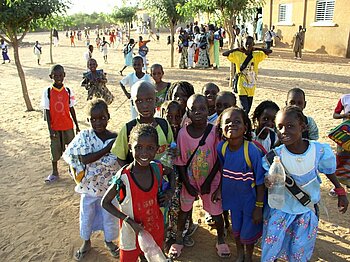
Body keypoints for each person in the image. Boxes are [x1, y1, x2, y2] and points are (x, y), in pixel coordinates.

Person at [261, 105, 348, 261]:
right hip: (281, 211)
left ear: (303, 126)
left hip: (305, 212)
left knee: (299, 251)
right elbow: (270, 179)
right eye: (279, 127)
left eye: (290, 126)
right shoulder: (275, 156)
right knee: (271, 249)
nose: (284, 131)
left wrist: (339, 190)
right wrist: (269, 181)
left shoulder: (318, 151)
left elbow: (328, 171)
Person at [102, 124, 175, 262]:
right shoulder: (123, 178)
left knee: (153, 257)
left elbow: (171, 172)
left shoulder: (157, 168)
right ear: (130, 147)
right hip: (130, 233)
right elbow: (105, 203)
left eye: (150, 148)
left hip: (155, 229)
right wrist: (128, 221)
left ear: (157, 149)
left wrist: (170, 192)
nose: (144, 153)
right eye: (138, 147)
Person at [169, 94, 230, 259]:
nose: (198, 112)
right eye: (193, 109)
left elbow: (219, 160)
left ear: (208, 111)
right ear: (187, 112)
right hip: (190, 179)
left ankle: (221, 238)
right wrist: (187, 183)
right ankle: (179, 238)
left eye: (202, 109)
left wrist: (210, 181)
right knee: (184, 210)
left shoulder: (214, 132)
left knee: (216, 213)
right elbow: (181, 160)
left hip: (211, 180)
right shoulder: (182, 134)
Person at [62, 99, 119, 261]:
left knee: (110, 216)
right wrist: (108, 148)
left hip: (109, 188)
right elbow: (85, 159)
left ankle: (109, 241)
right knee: (87, 215)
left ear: (108, 116)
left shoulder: (115, 137)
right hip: (89, 188)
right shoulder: (85, 137)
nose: (98, 122)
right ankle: (86, 242)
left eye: (102, 118)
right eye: (93, 119)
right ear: (88, 120)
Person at [216, 106, 265, 262]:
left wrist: (258, 207)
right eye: (227, 122)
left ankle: (249, 256)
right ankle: (240, 255)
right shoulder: (221, 148)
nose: (232, 124)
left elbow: (260, 181)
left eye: (237, 121)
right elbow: (223, 171)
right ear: (221, 128)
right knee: (236, 230)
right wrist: (219, 190)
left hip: (250, 202)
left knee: (248, 233)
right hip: (233, 200)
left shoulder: (251, 151)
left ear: (245, 127)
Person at [160, 100, 198, 248]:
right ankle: (167, 233)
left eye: (177, 117)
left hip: (183, 175)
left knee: (182, 205)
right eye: (169, 117)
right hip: (165, 176)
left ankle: (181, 233)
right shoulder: (160, 131)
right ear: (163, 115)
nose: (174, 121)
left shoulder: (185, 131)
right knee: (166, 204)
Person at [112, 81, 174, 167]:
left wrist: (174, 152)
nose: (145, 105)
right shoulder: (128, 128)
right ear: (133, 103)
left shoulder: (164, 125)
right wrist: (131, 175)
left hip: (162, 178)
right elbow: (120, 158)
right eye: (139, 101)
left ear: (156, 100)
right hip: (139, 179)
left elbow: (171, 147)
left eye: (149, 100)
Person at [41, 64, 80, 183]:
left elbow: (71, 108)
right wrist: (50, 130)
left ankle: (72, 169)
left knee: (72, 149)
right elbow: (47, 112)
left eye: (60, 75)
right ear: (50, 76)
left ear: (64, 75)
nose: (58, 77)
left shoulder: (68, 91)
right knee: (55, 149)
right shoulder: (47, 92)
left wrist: (77, 125)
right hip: (55, 127)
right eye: (55, 75)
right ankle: (54, 172)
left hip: (68, 126)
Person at [223, 36, 271, 114]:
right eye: (246, 44)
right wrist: (237, 49)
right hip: (241, 85)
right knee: (245, 108)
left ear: (253, 44)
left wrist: (256, 49)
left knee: (248, 108)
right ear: (243, 44)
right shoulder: (238, 55)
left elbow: (269, 51)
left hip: (251, 86)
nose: (248, 45)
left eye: (250, 44)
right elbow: (225, 54)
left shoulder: (256, 55)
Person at [329, 93, 350, 196]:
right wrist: (344, 115)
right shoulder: (344, 98)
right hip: (345, 134)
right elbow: (335, 114)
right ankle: (337, 185)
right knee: (341, 158)